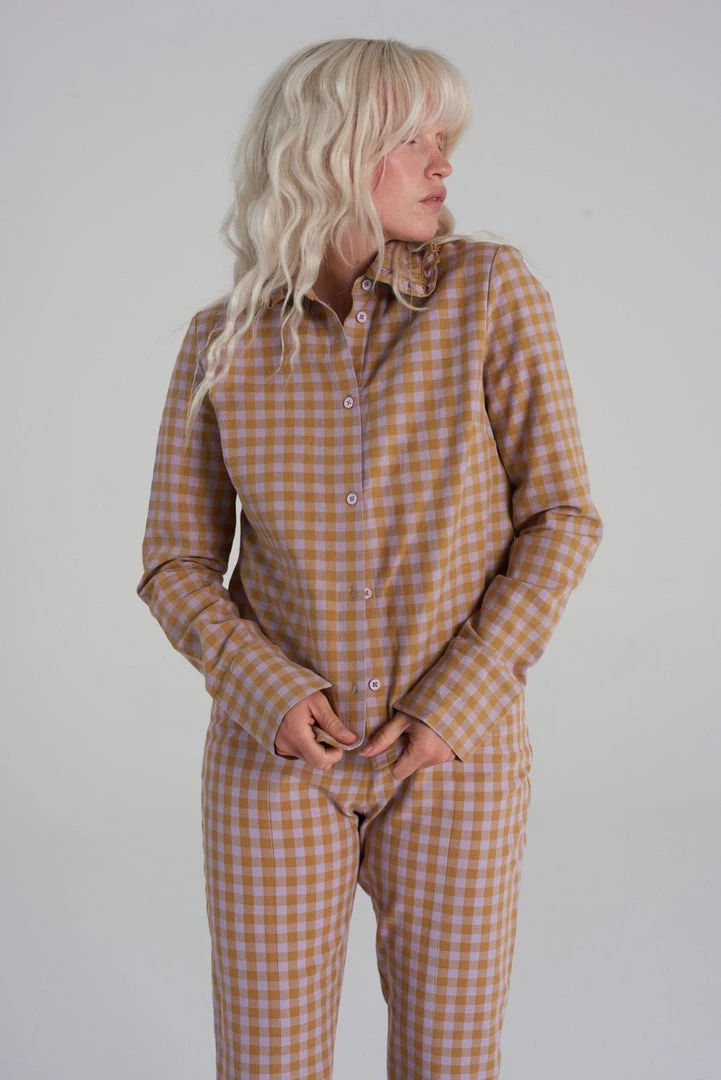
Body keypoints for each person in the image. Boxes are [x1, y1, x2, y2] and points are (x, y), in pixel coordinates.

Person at [137, 37, 603, 1080]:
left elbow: (561, 516)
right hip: (273, 762)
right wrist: (265, 688)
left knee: (449, 1060)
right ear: (329, 150)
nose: (444, 164)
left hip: (457, 759)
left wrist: (455, 700)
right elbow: (174, 561)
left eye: (446, 140)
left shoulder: (490, 293)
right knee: (267, 1063)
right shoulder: (222, 342)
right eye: (413, 139)